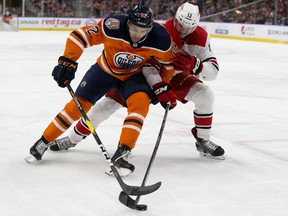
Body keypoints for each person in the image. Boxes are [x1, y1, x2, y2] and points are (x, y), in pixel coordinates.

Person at [50, 2, 225, 175]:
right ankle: (72, 139)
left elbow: (213, 72)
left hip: (177, 77)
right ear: (175, 18)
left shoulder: (201, 37)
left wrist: (197, 66)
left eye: (189, 27)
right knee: (105, 107)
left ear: (197, 24)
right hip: (148, 77)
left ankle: (203, 140)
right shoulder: (161, 31)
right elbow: (148, 66)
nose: (183, 29)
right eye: (180, 23)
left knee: (206, 95)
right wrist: (158, 86)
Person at [25, 5, 177, 177]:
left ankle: (123, 152)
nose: (136, 34)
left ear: (150, 28)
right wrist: (67, 61)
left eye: (142, 31)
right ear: (128, 23)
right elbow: (79, 36)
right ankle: (43, 141)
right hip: (104, 70)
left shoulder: (162, 39)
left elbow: (169, 65)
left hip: (134, 76)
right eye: (134, 28)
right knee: (76, 107)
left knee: (140, 104)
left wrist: (161, 85)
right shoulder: (112, 26)